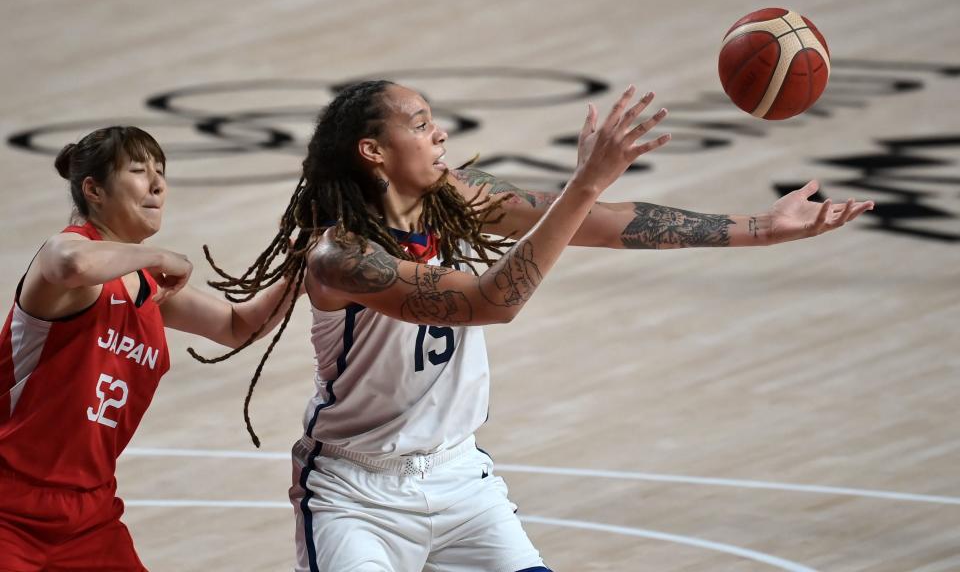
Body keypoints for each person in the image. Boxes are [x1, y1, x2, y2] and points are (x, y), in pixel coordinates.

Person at [198, 80, 873, 572]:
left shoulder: (453, 198)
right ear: (373, 150)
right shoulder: (342, 256)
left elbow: (601, 224)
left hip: (459, 478)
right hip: (356, 495)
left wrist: (756, 229)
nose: (439, 133)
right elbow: (493, 300)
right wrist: (586, 183)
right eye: (421, 121)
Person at [0, 126, 303, 571]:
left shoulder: (147, 288)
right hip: (8, 502)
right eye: (139, 171)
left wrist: (302, 267)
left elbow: (238, 326)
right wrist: (159, 256)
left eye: (161, 172)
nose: (158, 184)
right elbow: (71, 263)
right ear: (94, 189)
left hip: (89, 510)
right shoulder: (66, 255)